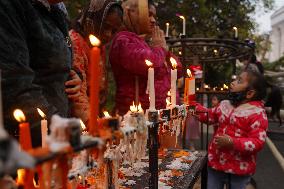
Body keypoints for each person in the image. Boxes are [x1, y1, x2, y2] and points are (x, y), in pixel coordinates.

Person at [0, 0, 80, 147]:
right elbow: (14, 82)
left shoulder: (54, 9)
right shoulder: (10, 7)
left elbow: (54, 58)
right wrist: (58, 127)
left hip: (54, 132)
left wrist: (73, 76)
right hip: (26, 140)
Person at [192, 70, 268, 189]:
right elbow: (210, 115)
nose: (232, 83)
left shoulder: (256, 114)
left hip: (240, 169)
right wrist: (195, 107)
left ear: (249, 93)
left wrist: (233, 142)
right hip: (216, 163)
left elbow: (257, 142)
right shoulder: (225, 105)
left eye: (239, 81)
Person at [109, 0, 182, 115]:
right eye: (148, 15)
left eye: (154, 16)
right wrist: (160, 48)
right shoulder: (123, 40)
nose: (153, 21)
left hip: (162, 118)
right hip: (137, 119)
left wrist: (164, 50)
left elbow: (178, 70)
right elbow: (150, 64)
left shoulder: (147, 43)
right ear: (129, 13)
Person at [69, 0, 123, 123]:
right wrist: (95, 124)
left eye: (114, 31)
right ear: (92, 20)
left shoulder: (99, 46)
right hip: (77, 122)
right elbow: (77, 97)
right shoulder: (75, 42)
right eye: (106, 27)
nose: (109, 35)